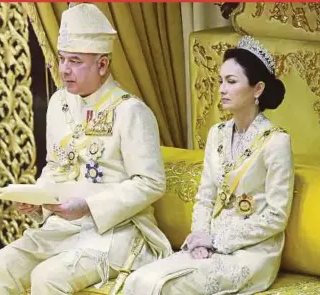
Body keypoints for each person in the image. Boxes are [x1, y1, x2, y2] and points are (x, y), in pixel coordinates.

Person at [0, 4, 172, 295]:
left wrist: (88, 206)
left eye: (75, 61)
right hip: (62, 227)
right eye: (62, 59)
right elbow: (55, 168)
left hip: (116, 231)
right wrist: (37, 199)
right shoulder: (59, 103)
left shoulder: (130, 111)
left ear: (102, 65)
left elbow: (152, 182)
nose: (64, 69)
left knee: (47, 278)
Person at [124, 35, 295, 295]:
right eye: (220, 81)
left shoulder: (276, 142)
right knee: (138, 280)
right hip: (208, 243)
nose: (222, 89)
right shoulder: (217, 133)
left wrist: (217, 240)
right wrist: (200, 238)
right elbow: (205, 196)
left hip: (251, 252)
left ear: (257, 89)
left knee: (162, 287)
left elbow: (276, 217)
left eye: (231, 81)